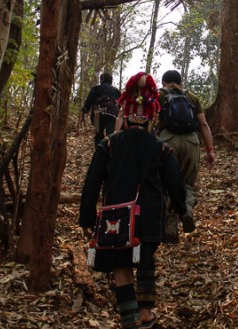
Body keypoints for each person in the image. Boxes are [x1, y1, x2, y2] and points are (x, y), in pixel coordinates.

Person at [79, 72, 190, 329]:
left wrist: (86, 217)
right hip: (149, 213)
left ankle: (129, 319)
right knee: (146, 260)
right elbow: (175, 183)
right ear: (151, 117)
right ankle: (146, 314)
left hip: (114, 218)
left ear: (125, 115)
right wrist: (182, 209)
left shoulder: (108, 144)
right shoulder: (161, 148)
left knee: (121, 265)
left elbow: (92, 183)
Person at [157, 70, 215, 241]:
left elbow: (150, 121)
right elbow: (203, 124)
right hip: (191, 142)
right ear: (180, 82)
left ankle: (171, 228)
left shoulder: (159, 95)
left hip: (168, 140)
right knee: (187, 184)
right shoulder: (192, 97)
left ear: (164, 82)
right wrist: (210, 150)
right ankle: (187, 210)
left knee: (166, 183)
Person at [81, 72, 121, 145]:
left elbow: (88, 101)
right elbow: (120, 105)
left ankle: (99, 152)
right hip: (112, 115)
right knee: (110, 136)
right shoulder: (117, 91)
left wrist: (83, 114)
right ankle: (109, 153)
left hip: (97, 114)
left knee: (98, 135)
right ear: (111, 81)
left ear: (102, 80)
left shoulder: (96, 88)